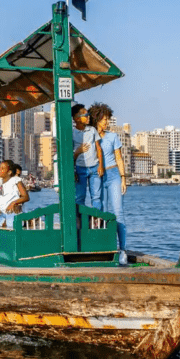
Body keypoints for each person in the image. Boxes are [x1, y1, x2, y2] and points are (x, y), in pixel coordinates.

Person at [90, 102, 129, 265]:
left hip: (113, 174)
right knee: (102, 213)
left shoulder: (113, 136)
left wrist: (123, 178)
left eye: (108, 119)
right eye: (105, 119)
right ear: (97, 119)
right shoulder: (89, 136)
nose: (107, 122)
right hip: (97, 176)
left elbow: (119, 158)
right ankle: (106, 246)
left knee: (118, 212)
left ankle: (123, 249)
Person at [72, 103, 103, 208]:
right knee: (80, 197)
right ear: (77, 119)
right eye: (85, 115)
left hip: (95, 168)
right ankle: (80, 222)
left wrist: (101, 166)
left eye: (88, 114)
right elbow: (69, 156)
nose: (88, 117)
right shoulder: (71, 133)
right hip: (80, 169)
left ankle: (98, 221)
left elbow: (98, 148)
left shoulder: (92, 130)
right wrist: (78, 151)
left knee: (96, 197)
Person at [0, 160, 30, 229]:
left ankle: (11, 223)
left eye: (2, 168)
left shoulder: (16, 181)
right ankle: (4, 223)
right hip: (1, 213)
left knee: (12, 222)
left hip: (12, 212)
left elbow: (26, 197)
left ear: (9, 172)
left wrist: (13, 203)